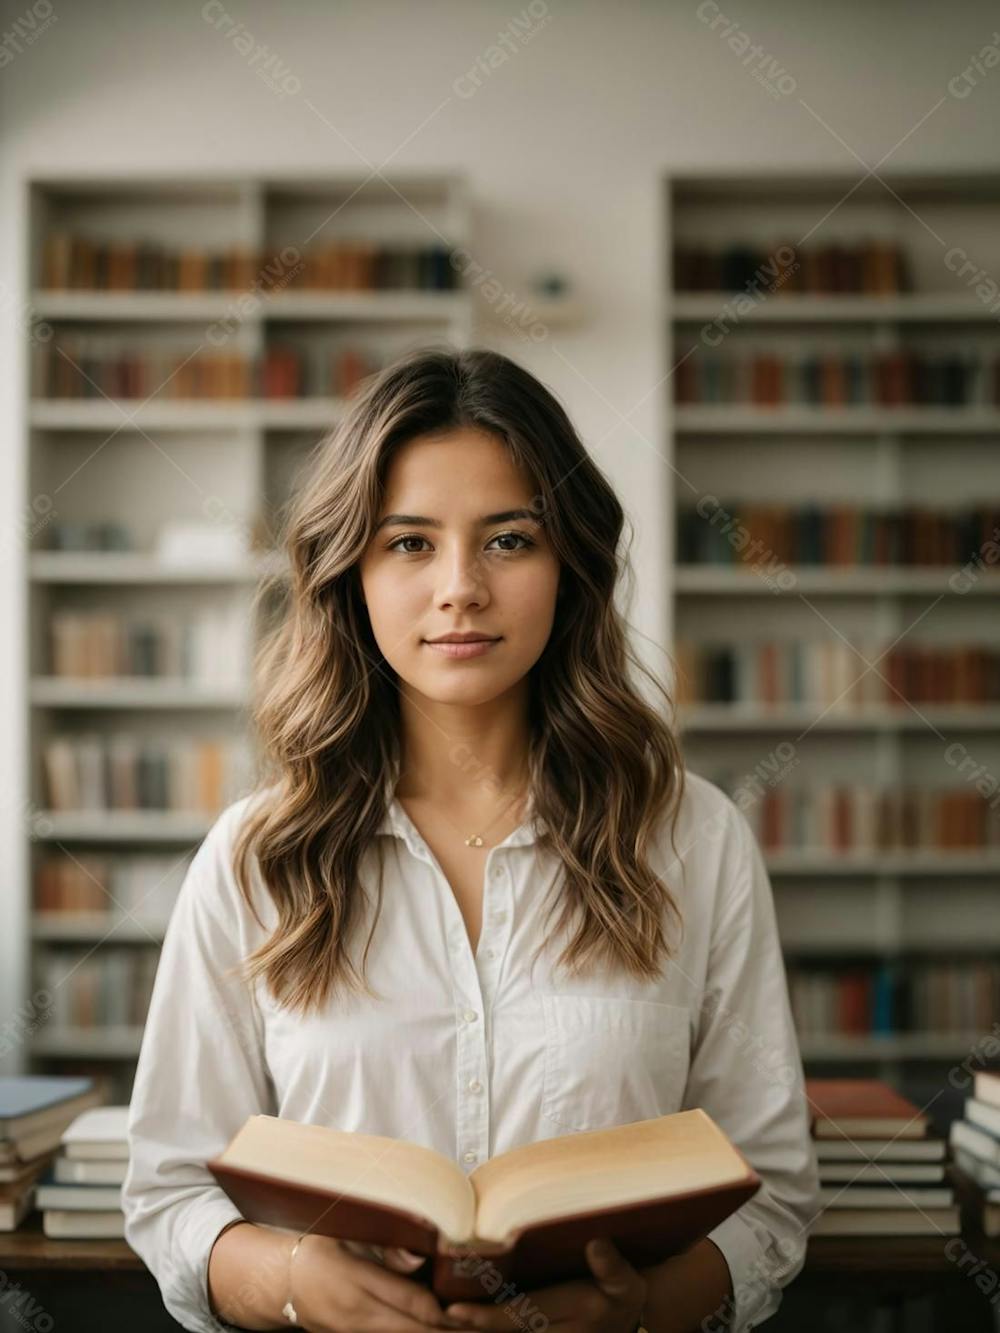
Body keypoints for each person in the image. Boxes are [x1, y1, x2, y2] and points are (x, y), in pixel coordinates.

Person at [121, 346, 819, 1333]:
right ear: (348, 569)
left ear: (569, 565)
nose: (459, 588)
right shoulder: (252, 858)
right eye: (408, 543)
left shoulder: (693, 839)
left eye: (507, 540)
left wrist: (645, 1309)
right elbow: (168, 1196)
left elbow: (775, 1191)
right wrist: (286, 1282)